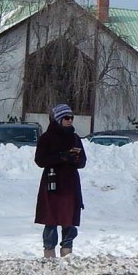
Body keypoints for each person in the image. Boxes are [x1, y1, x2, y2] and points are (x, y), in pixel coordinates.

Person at [34, 104, 87, 258]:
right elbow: (40, 160)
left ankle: (67, 251)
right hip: (53, 183)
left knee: (69, 219)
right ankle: (49, 252)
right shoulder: (47, 138)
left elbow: (83, 161)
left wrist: (75, 159)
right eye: (66, 118)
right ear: (58, 119)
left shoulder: (75, 138)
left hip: (70, 184)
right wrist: (61, 157)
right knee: (51, 219)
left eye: (71, 118)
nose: (70, 121)